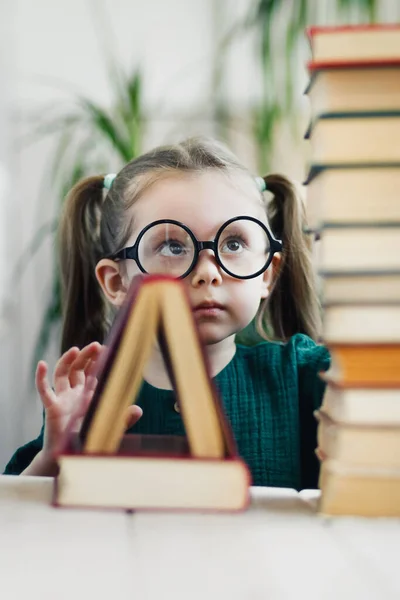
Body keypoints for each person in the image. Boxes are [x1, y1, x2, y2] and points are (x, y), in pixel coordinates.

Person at [4, 137, 330, 488]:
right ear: (117, 283)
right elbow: (16, 515)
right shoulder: (85, 397)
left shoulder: (307, 377)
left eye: (233, 244)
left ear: (266, 273)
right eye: (173, 246)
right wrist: (52, 459)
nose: (208, 271)